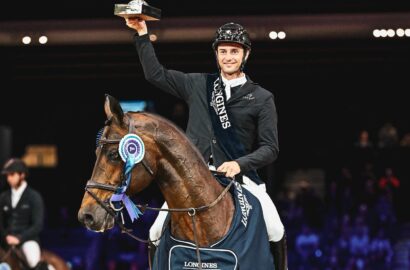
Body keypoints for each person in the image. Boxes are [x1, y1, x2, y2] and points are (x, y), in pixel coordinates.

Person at [125, 18, 287, 269]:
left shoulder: (262, 98)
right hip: (192, 178)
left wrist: (239, 164)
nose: (228, 57)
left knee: (276, 228)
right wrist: (142, 34)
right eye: (223, 51)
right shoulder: (199, 84)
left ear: (245, 54)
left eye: (234, 51)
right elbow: (155, 74)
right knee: (155, 231)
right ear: (216, 54)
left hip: (240, 178)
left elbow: (270, 148)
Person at [0, 158, 47, 270]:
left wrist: (19, 238)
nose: (9, 178)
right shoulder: (3, 197)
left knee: (32, 259)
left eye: (12, 174)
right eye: (7, 175)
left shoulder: (34, 197)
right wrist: (5, 236)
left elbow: (38, 225)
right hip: (5, 240)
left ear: (22, 175)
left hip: (27, 240)